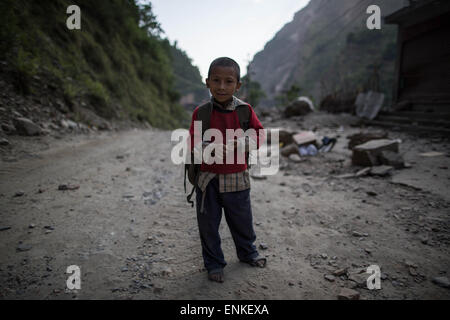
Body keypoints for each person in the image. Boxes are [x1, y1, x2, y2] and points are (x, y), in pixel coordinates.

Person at [188, 57, 267, 283]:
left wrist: (240, 144)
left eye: (228, 81)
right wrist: (208, 147)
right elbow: (192, 143)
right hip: (208, 180)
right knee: (209, 225)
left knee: (242, 220)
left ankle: (248, 253)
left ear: (238, 85)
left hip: (237, 179)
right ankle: (213, 264)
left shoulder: (244, 111)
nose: (222, 87)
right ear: (207, 83)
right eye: (216, 80)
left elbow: (259, 135)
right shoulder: (201, 112)